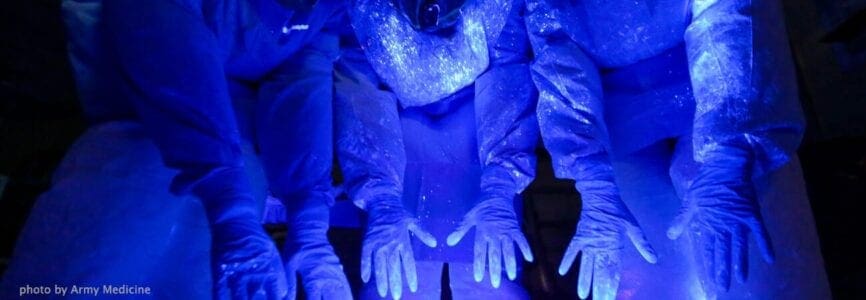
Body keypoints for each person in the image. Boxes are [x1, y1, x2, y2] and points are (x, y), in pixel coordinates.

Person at [0, 0, 352, 299]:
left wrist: (308, 213)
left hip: (230, 167)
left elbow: (303, 66)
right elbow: (164, 37)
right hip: (126, 133)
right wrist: (231, 207)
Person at [524, 0, 831, 298]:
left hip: (721, 86)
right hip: (617, 118)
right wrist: (591, 173)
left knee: (755, 269)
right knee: (648, 266)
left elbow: (730, 12)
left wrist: (730, 152)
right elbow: (555, 41)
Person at [334, 0, 538, 298]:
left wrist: (501, 182)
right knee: (397, 277)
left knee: (489, 276)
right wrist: (380, 194)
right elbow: (359, 85)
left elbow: (508, 70)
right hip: (393, 143)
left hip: (482, 133)